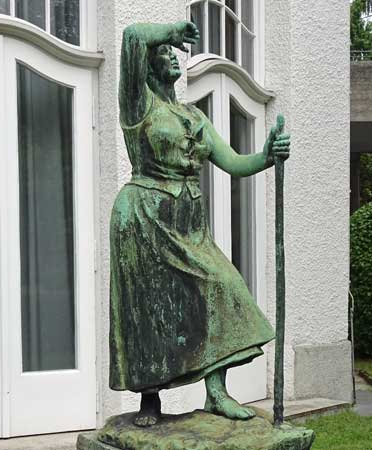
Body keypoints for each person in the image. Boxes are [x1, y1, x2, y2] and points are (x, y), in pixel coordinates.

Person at [109, 21, 290, 427]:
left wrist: (267, 154)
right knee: (149, 309)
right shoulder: (138, 104)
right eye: (164, 52)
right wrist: (173, 30)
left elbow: (235, 163)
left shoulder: (193, 116)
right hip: (143, 217)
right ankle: (149, 399)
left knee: (223, 287)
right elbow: (131, 38)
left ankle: (216, 393)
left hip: (188, 224)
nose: (173, 55)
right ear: (148, 64)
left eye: (176, 52)